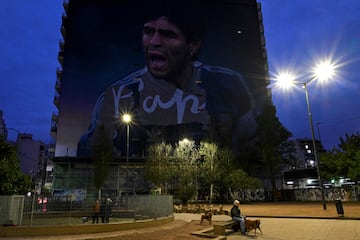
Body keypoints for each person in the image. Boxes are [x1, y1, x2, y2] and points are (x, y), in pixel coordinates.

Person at [77, 3, 257, 158]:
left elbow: (252, 150)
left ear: (193, 44)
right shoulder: (116, 97)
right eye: (148, 31)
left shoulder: (228, 84)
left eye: (168, 34)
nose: (154, 42)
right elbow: (89, 158)